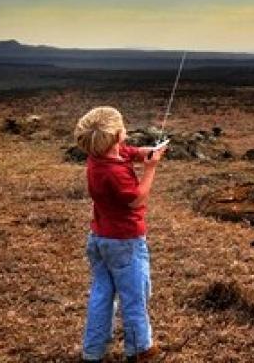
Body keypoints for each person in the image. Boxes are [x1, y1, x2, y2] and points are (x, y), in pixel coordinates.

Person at [73, 106, 165, 362]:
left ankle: (93, 350)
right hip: (125, 242)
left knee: (102, 292)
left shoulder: (99, 157)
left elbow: (126, 153)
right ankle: (139, 348)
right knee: (135, 294)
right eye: (122, 127)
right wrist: (151, 168)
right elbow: (136, 200)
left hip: (100, 239)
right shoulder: (113, 173)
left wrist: (145, 153)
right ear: (115, 136)